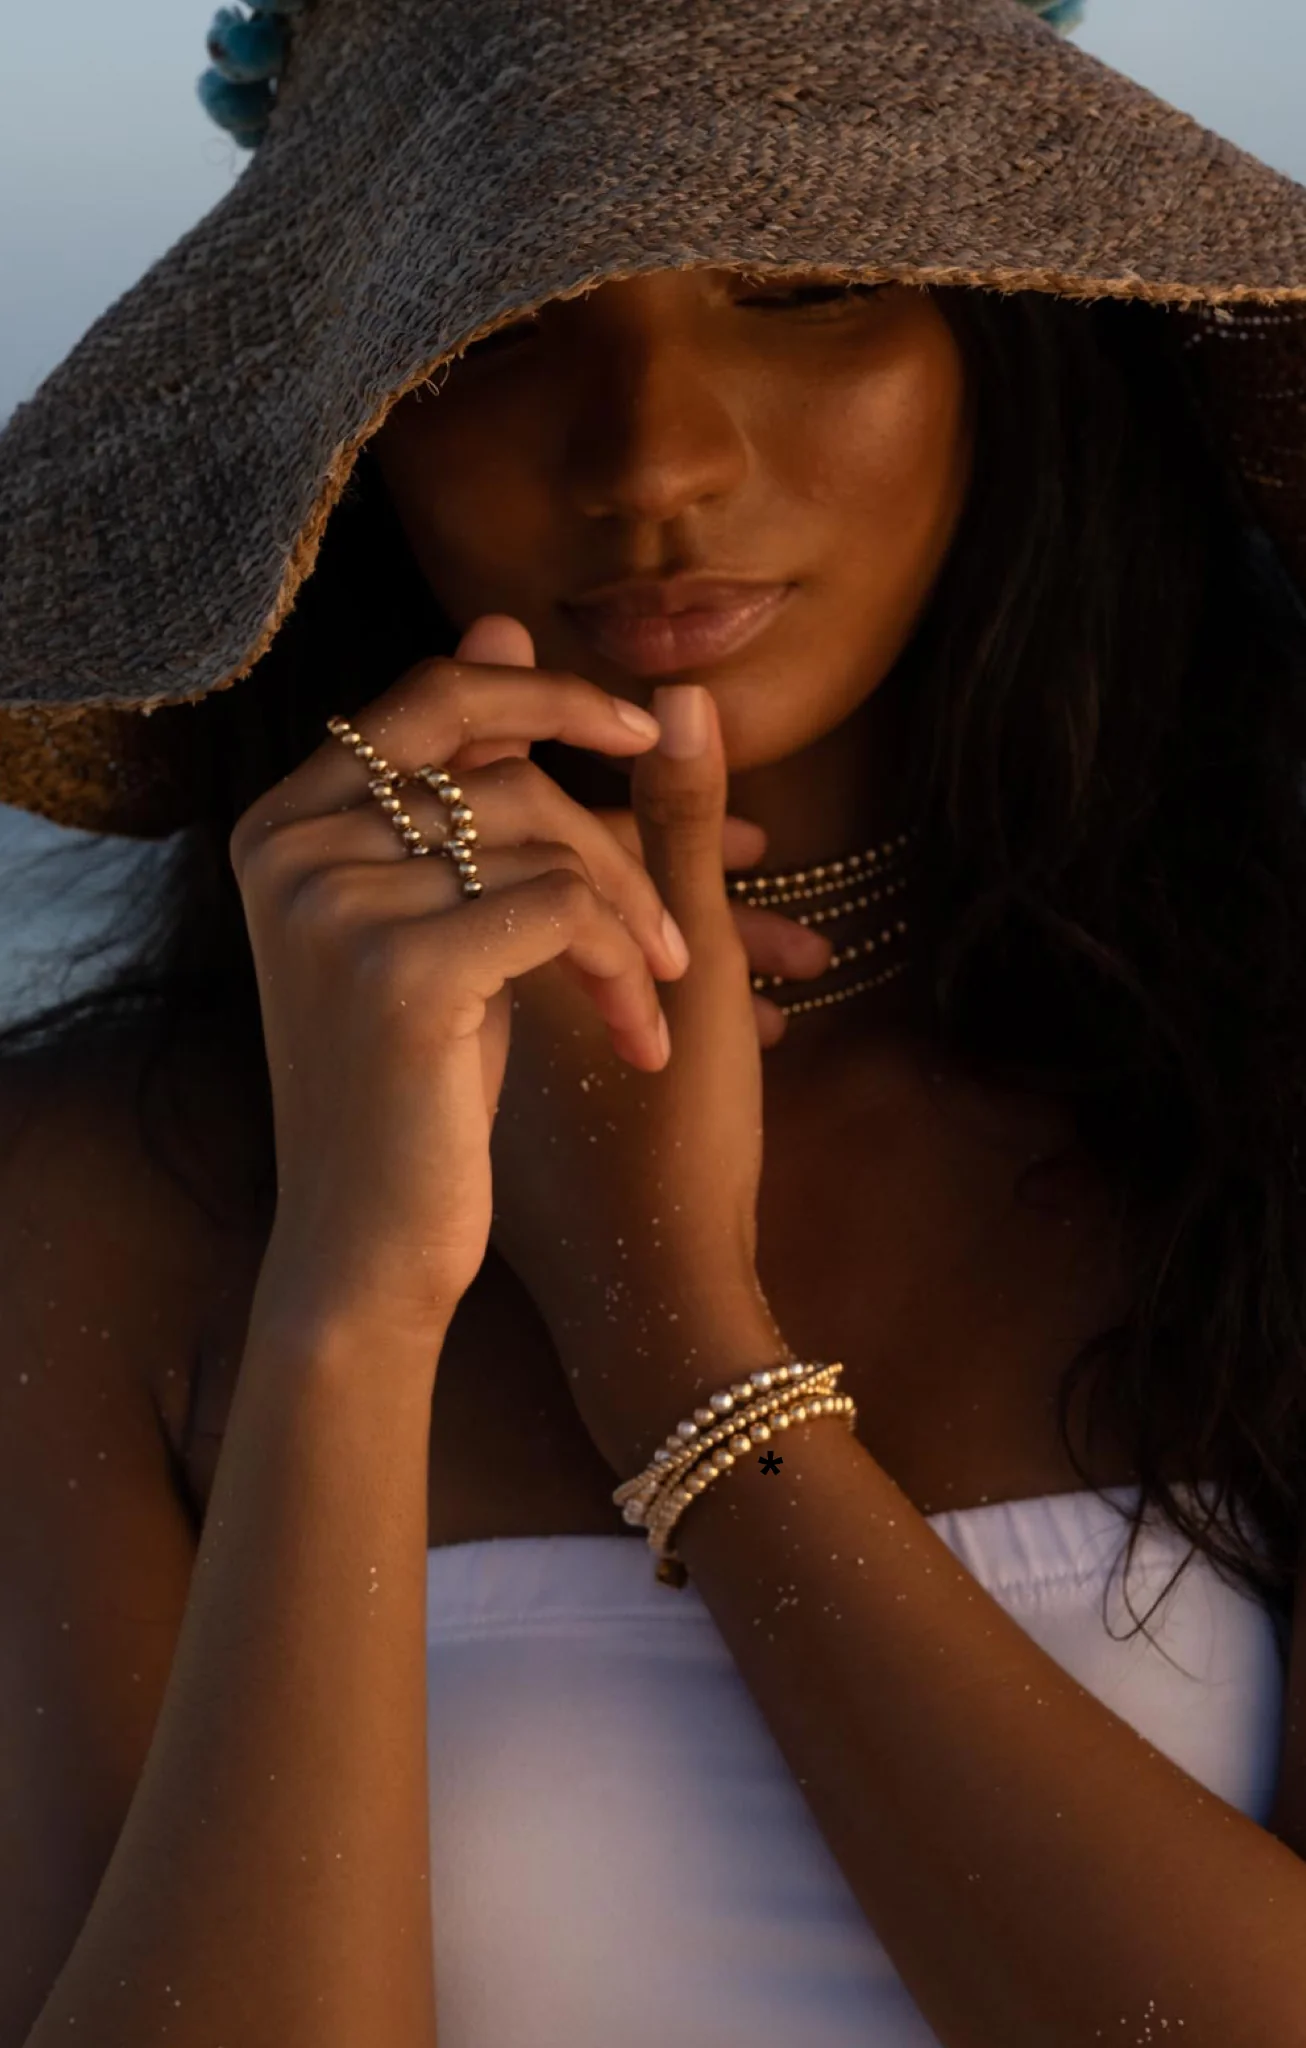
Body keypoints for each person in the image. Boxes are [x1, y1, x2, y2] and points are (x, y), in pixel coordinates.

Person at [2, 1, 1306, 2043]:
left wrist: (665, 1338)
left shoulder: (1261, 1085)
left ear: (1007, 336)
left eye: (799, 283)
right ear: (347, 427)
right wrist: (354, 1296)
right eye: (491, 328)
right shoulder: (92, 1192)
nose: (655, 459)